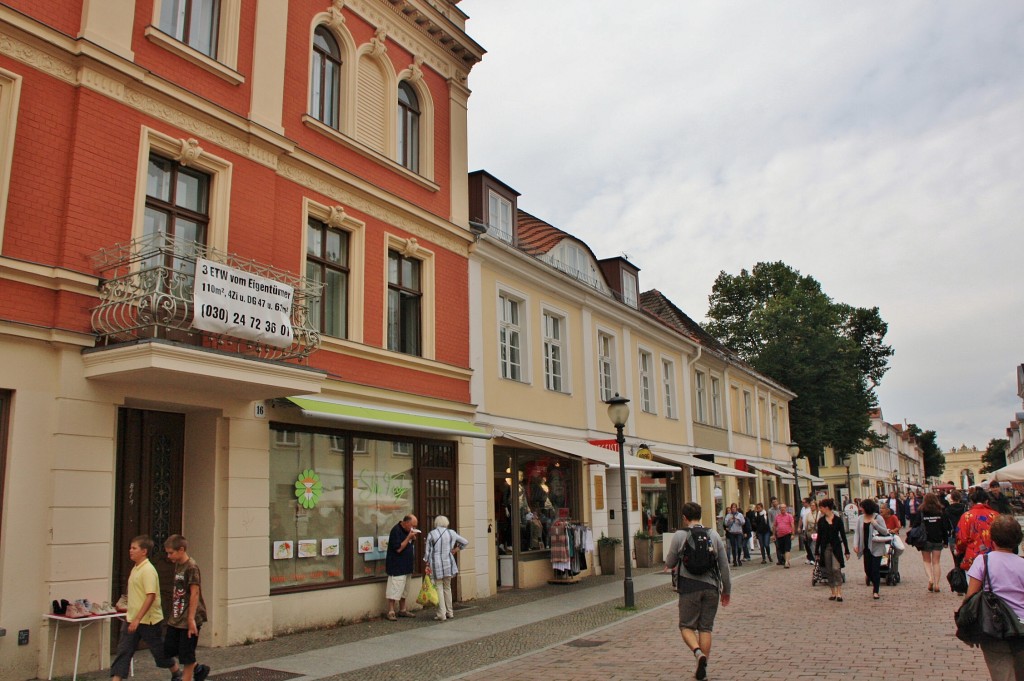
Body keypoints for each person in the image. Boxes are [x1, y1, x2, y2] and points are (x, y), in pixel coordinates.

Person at [665, 502, 731, 681]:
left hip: (689, 587)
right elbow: (724, 565)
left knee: (686, 626)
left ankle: (697, 653)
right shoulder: (713, 534)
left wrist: (670, 563)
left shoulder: (680, 535)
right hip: (711, 588)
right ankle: (702, 670)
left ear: (685, 518)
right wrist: (727, 590)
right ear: (700, 515)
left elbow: (670, 562)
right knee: (705, 628)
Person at [962, 514, 1024, 680]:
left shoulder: (983, 561)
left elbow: (971, 597)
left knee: (1002, 675)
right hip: (1022, 628)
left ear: (992, 539)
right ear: (1017, 540)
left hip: (993, 628)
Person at [110, 535, 175, 681]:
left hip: (148, 620)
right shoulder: (136, 568)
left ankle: (175, 671)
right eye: (131, 548)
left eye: (134, 548)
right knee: (124, 651)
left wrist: (138, 619)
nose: (130, 551)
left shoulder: (148, 570)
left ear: (144, 551)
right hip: (132, 618)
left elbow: (150, 596)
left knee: (158, 650)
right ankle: (116, 679)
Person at [163, 534, 210, 681]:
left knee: (187, 655)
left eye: (171, 552)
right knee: (170, 648)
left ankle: (187, 678)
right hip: (177, 616)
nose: (169, 556)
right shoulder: (179, 564)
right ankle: (199, 670)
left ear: (181, 549)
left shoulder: (191, 567)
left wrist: (191, 619)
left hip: (189, 618)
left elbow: (195, 593)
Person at [423, 515, 469, 622]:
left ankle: (441, 614)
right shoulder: (451, 533)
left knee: (438, 587)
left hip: (436, 564)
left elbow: (427, 553)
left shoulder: (432, 534)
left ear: (436, 523)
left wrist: (427, 564)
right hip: (449, 563)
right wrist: (456, 549)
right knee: (447, 587)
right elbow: (465, 542)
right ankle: (450, 612)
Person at [852, 498, 889, 600]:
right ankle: (872, 580)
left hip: (876, 547)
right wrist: (856, 545)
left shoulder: (878, 517)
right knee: (867, 569)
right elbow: (857, 533)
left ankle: (876, 591)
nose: (861, 509)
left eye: (862, 507)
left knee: (875, 569)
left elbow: (885, 531)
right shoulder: (860, 518)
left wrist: (875, 524)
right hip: (865, 547)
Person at [385, 514, 419, 621]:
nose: (413, 528)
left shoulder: (408, 531)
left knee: (405, 589)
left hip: (407, 565)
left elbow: (409, 545)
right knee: (395, 588)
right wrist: (409, 537)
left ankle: (402, 609)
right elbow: (398, 549)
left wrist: (412, 538)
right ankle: (391, 611)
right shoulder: (396, 531)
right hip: (397, 565)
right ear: (406, 523)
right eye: (412, 525)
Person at [816, 499, 850, 602]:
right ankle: (833, 592)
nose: (820, 509)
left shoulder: (838, 520)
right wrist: (817, 551)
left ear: (826, 507)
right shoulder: (821, 521)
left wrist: (847, 550)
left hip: (836, 547)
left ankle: (839, 592)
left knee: (836, 568)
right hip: (825, 548)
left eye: (821, 507)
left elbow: (843, 535)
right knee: (829, 570)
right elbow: (819, 537)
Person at [956, 488, 998, 572]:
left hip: (973, 557)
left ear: (972, 502)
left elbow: (961, 539)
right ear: (987, 501)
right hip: (994, 558)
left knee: (973, 583)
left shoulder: (966, 516)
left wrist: (959, 550)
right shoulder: (995, 515)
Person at [916, 493, 950, 593]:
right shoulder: (940, 511)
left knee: (927, 561)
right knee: (936, 562)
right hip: (938, 538)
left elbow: (915, 524)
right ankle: (937, 584)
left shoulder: (922, 511)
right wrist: (946, 540)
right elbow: (945, 527)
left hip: (925, 539)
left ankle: (930, 578)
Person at [771, 502, 795, 568]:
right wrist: (773, 535)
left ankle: (786, 562)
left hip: (787, 534)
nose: (783, 509)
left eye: (784, 508)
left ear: (786, 508)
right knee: (782, 549)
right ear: (779, 509)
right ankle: (787, 560)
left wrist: (793, 534)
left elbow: (792, 525)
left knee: (787, 548)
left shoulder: (789, 516)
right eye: (781, 508)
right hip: (779, 535)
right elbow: (774, 526)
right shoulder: (777, 517)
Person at [943, 490, 967, 555]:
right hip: (964, 533)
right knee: (963, 553)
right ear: (960, 498)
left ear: (952, 498)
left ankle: (956, 564)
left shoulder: (947, 510)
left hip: (952, 534)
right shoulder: (965, 508)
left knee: (954, 554)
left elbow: (945, 524)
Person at [723, 503, 746, 568]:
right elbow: (725, 523)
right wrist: (730, 520)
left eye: (734, 507)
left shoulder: (740, 515)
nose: (733, 509)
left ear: (736, 508)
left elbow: (743, 522)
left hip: (738, 532)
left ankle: (738, 558)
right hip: (732, 533)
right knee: (733, 547)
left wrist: (738, 519)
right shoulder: (728, 515)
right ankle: (735, 560)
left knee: (739, 546)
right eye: (732, 507)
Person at [800, 500, 821, 565]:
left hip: (816, 531)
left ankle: (817, 558)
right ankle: (814, 558)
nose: (812, 507)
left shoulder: (819, 513)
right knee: (810, 545)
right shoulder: (808, 514)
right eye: (811, 505)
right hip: (810, 532)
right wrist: (805, 533)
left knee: (815, 545)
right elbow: (806, 524)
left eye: (813, 505)